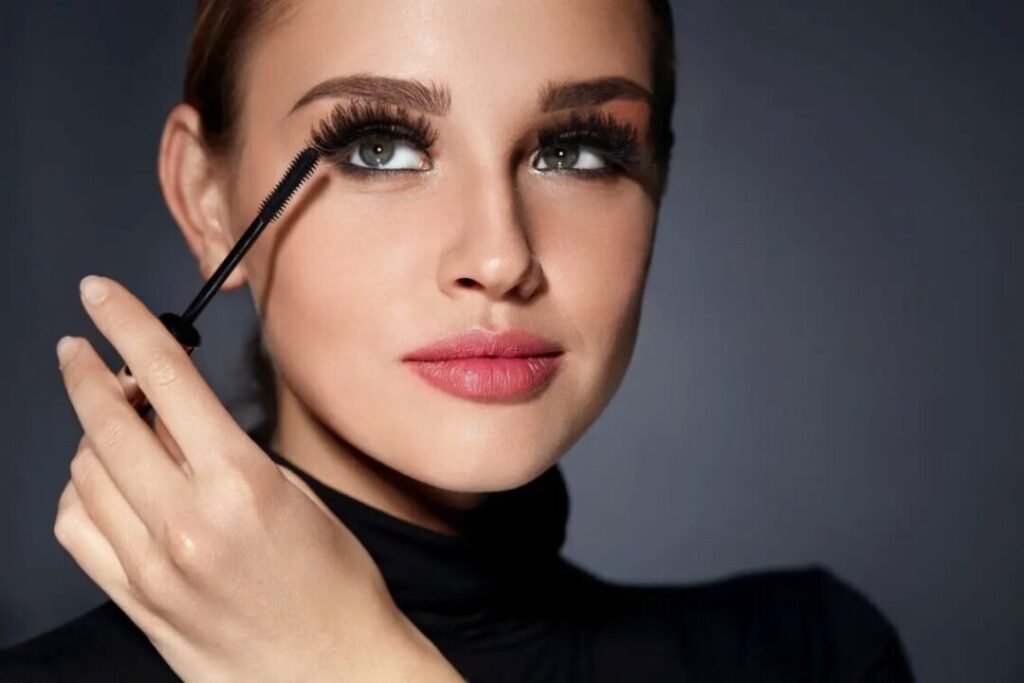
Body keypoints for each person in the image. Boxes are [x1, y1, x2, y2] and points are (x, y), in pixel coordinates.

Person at [1, 0, 915, 680]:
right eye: (379, 147)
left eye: (578, 151)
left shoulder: (809, 656)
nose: (500, 254)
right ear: (208, 195)